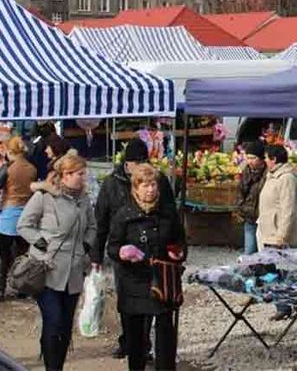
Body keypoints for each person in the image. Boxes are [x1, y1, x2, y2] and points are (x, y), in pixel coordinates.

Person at [91, 138, 175, 359]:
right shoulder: (112, 184)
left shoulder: (160, 181)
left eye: (143, 161)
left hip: (155, 255)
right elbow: (101, 221)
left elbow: (171, 215)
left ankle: (144, 346)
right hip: (125, 254)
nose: (140, 167)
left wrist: (176, 250)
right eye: (135, 163)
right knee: (129, 303)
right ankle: (129, 341)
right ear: (126, 164)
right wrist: (97, 254)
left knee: (155, 302)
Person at [17, 154, 96, 371]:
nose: (83, 178)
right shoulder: (45, 197)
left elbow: (92, 227)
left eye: (84, 173)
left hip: (74, 273)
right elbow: (24, 225)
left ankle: (56, 364)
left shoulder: (84, 199)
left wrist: (86, 246)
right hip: (47, 271)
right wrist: (40, 243)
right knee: (54, 322)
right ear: (65, 175)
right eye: (80, 174)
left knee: (65, 327)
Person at [108, 164, 186, 371]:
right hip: (134, 282)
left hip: (162, 281)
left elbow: (180, 241)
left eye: (153, 185)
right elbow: (112, 247)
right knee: (136, 338)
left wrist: (178, 253)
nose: (150, 189)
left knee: (164, 334)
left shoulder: (168, 213)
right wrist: (123, 252)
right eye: (145, 185)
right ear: (136, 188)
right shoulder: (124, 214)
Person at [0, 136, 37, 299]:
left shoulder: (8, 168)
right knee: (23, 255)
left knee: (3, 256)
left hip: (8, 214)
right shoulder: (32, 168)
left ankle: (1, 290)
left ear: (10, 151)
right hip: (27, 215)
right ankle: (23, 289)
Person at [257, 144, 297, 250]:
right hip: (267, 230)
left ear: (274, 159)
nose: (265, 161)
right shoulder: (272, 175)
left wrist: (282, 235)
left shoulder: (286, 178)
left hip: (276, 234)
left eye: (266, 158)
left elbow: (288, 208)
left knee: (274, 264)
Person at [238, 141, 266, 254]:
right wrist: (241, 208)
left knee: (264, 252)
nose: (250, 161)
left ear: (261, 158)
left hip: (263, 217)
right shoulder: (246, 172)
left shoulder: (268, 173)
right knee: (249, 251)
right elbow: (240, 192)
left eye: (253, 158)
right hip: (249, 215)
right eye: (248, 157)